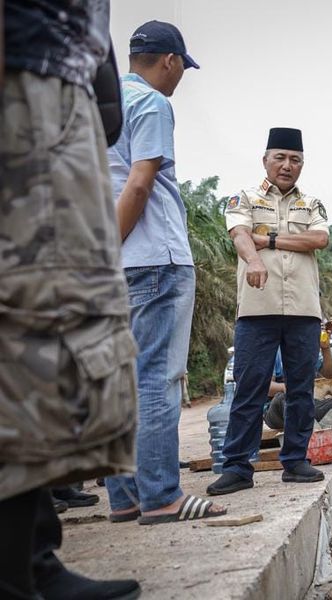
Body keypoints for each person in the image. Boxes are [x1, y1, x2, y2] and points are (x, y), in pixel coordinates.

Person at [2, 2, 142, 597]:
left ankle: (31, 555)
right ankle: (14, 570)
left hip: (64, 84)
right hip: (26, 75)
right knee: (30, 316)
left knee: (49, 325)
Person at [102, 20, 224, 525]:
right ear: (169, 60)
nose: (178, 79)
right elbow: (139, 182)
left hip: (117, 264)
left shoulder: (101, 110)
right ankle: (162, 496)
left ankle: (125, 496)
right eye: (180, 69)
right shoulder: (152, 104)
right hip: (154, 256)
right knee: (156, 377)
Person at [207, 127, 330, 496]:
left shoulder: (311, 205)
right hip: (256, 308)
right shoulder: (243, 199)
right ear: (265, 160)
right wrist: (253, 255)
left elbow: (319, 239)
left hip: (303, 309)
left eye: (295, 160)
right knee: (249, 387)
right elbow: (240, 234)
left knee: (301, 388)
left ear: (302, 164)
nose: (287, 165)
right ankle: (237, 467)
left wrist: (271, 239)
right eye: (280, 157)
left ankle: (295, 461)